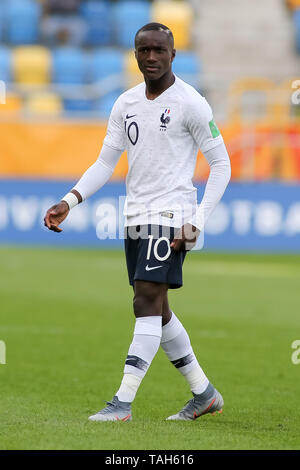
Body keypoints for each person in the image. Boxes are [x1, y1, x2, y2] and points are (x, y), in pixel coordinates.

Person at [44, 23, 231, 422]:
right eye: (143, 50)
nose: (150, 57)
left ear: (173, 54)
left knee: (145, 299)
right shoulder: (125, 103)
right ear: (134, 55)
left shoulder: (191, 103)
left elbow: (221, 165)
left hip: (173, 216)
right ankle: (204, 393)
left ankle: (122, 403)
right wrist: (70, 199)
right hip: (134, 216)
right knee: (155, 308)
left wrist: (197, 220)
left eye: (158, 50)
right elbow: (105, 162)